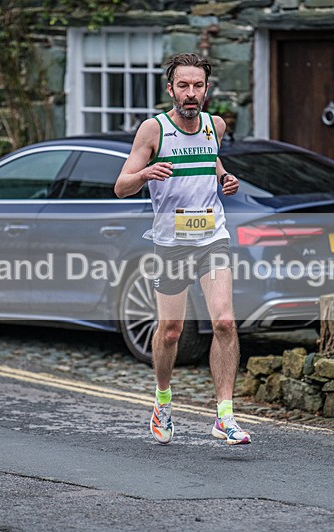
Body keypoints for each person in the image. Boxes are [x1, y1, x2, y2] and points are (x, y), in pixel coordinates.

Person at [114, 52, 250, 446]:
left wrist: (225, 178)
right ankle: (162, 401)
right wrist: (145, 173)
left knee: (224, 321)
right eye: (183, 86)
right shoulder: (152, 131)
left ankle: (224, 415)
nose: (191, 94)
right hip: (171, 242)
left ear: (207, 90)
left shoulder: (215, 126)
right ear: (170, 89)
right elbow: (121, 186)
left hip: (212, 237)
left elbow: (212, 162)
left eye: (198, 86)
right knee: (171, 331)